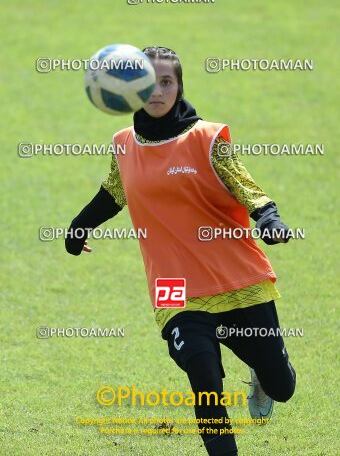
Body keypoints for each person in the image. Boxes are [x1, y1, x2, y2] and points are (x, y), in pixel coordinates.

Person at [65, 46, 296, 456]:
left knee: (283, 386)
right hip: (174, 287)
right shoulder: (123, 144)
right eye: (149, 83)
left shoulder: (208, 139)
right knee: (203, 374)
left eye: (166, 82)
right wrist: (80, 225)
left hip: (238, 277)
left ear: (179, 85)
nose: (157, 91)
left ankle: (263, 372)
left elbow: (248, 189)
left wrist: (269, 219)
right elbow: (114, 192)